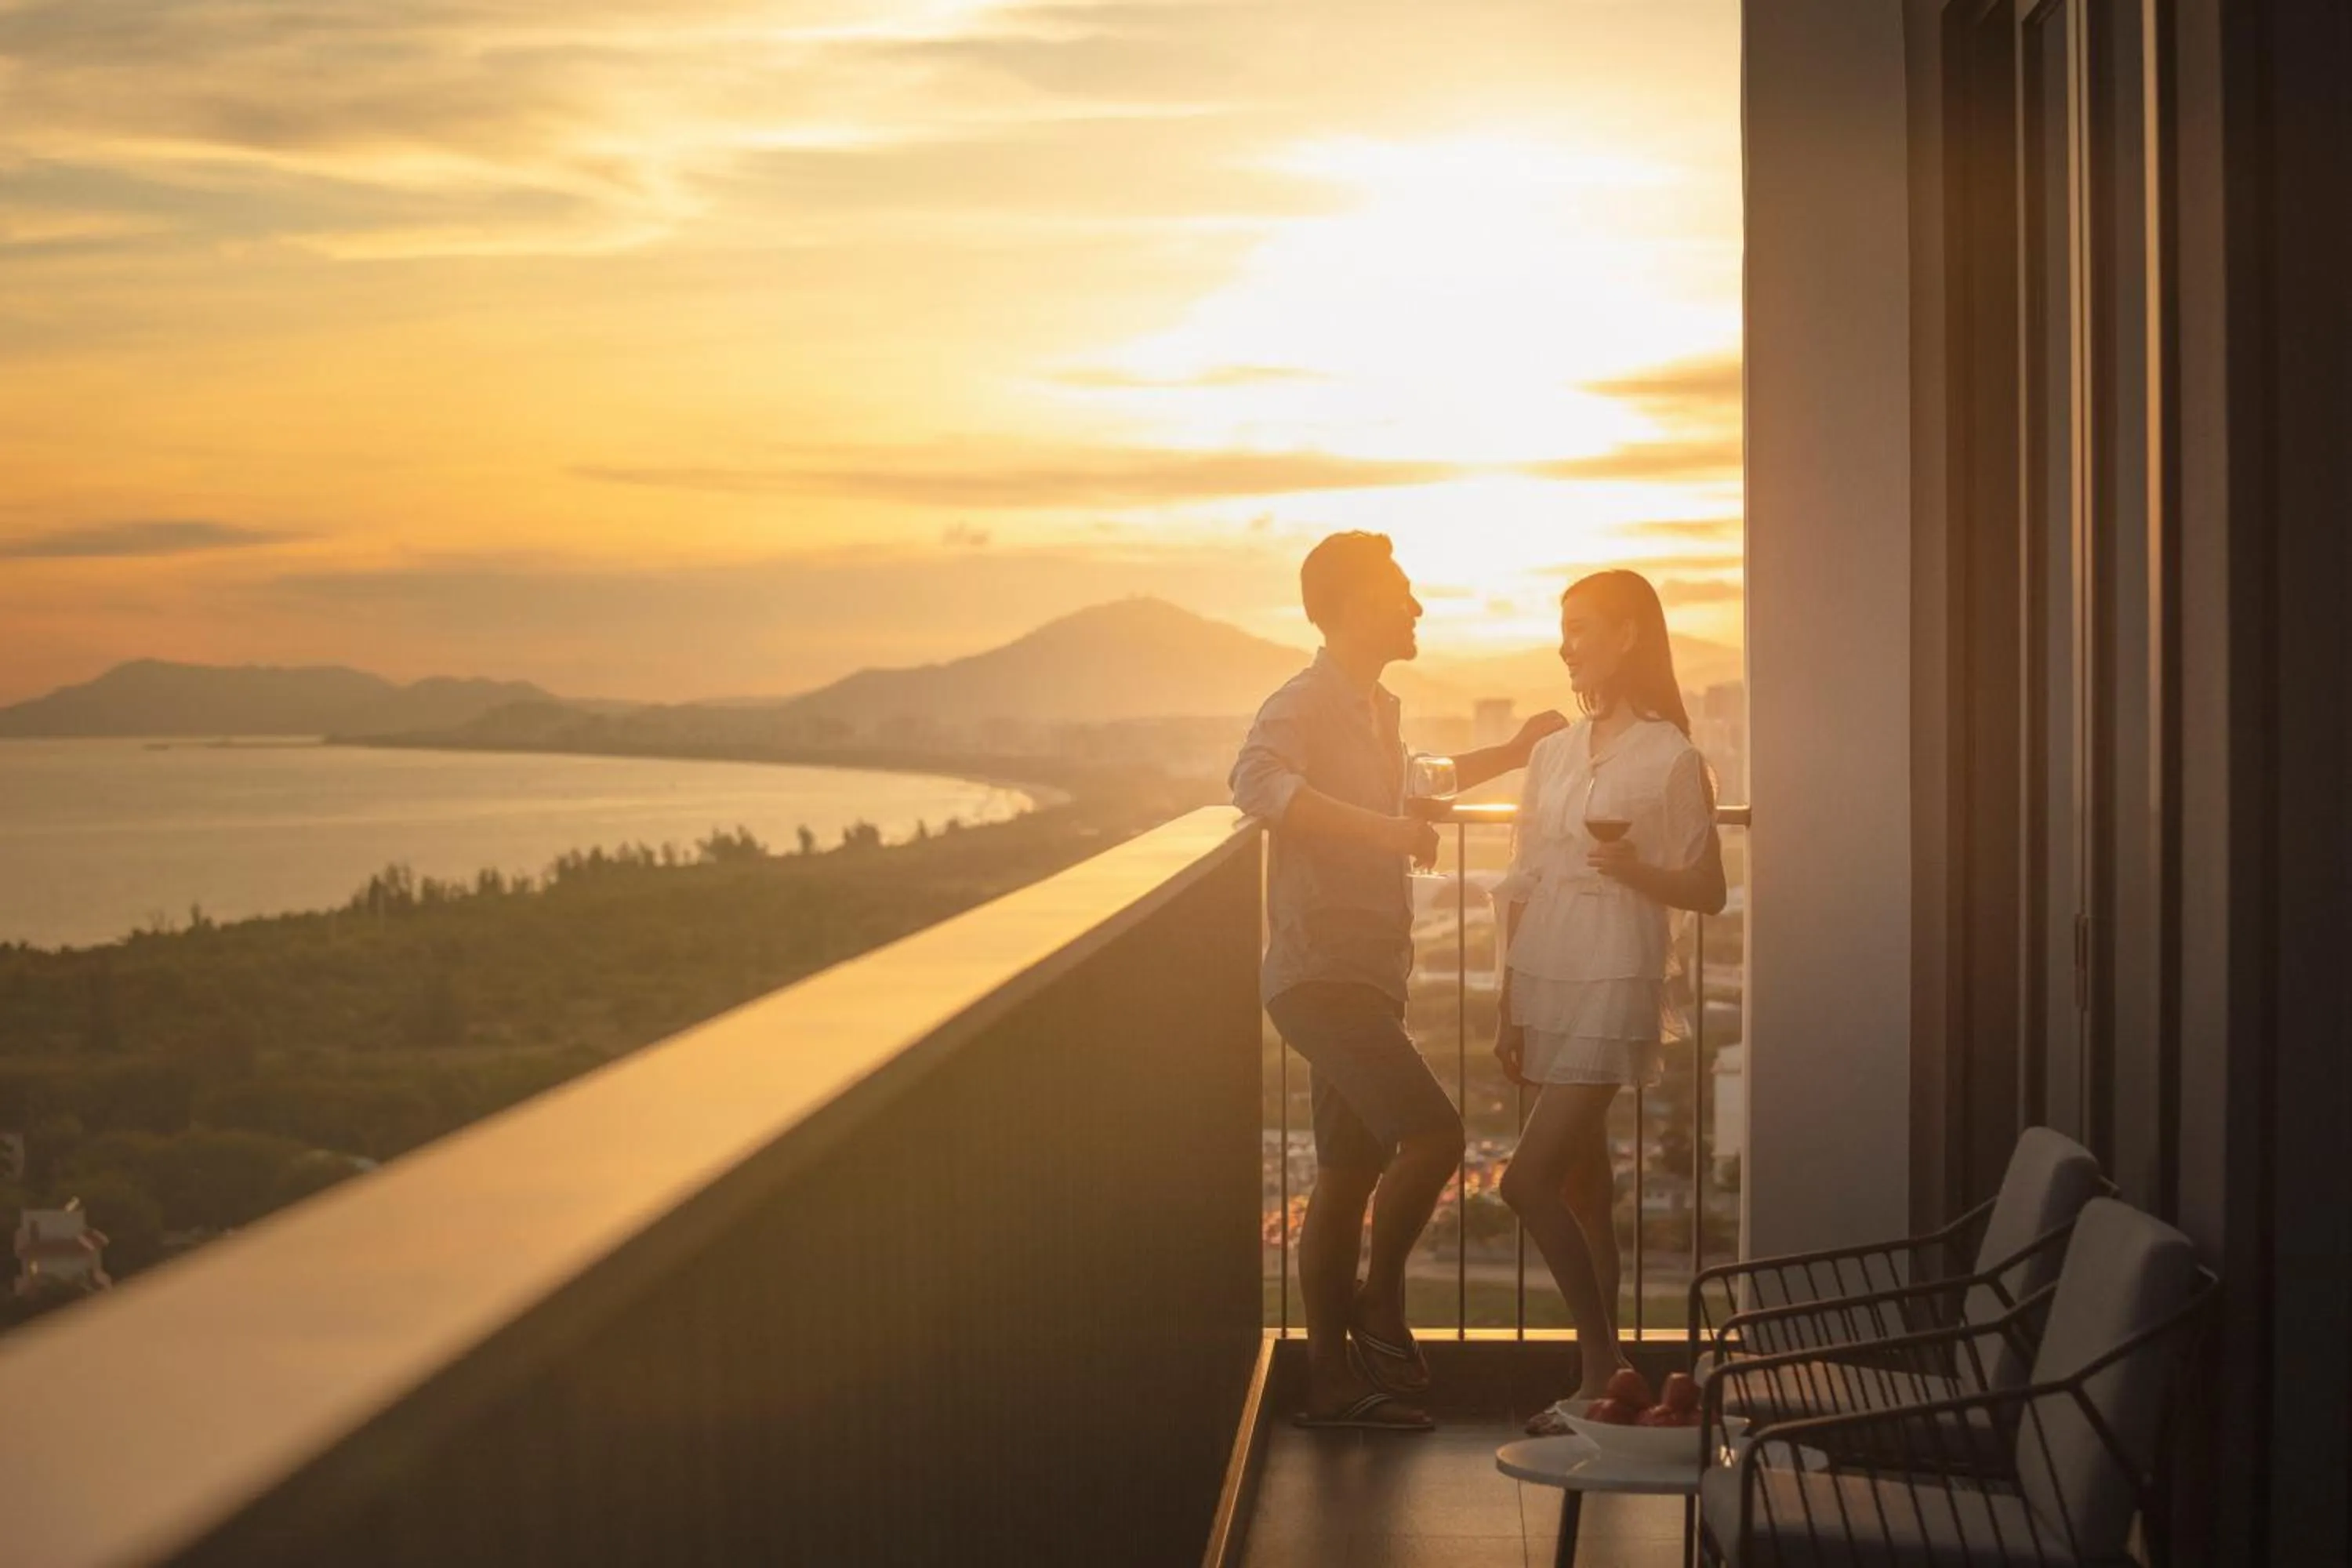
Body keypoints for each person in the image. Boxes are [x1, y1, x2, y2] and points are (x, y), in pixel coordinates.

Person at [1231, 531, 1565, 1431]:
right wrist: (1382, 834)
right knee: (1434, 1135)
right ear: (1349, 607)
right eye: (1402, 592)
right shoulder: (1302, 702)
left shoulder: (1376, 708)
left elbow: (1422, 785)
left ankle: (1335, 1389)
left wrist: (1517, 748)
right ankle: (1382, 1306)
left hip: (1366, 973)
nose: (1417, 607)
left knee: (1345, 1170)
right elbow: (1254, 780)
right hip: (1319, 973)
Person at [1490, 568, 1726, 1432]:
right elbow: (1522, 879)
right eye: (1563, 629)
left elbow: (1708, 887)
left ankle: (1599, 1362)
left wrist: (1639, 871)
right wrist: (1508, 1002)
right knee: (1587, 1186)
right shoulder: (1551, 753)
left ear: (1630, 635)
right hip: (1548, 975)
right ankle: (1608, 1383)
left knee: (1525, 1180)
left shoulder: (1672, 756)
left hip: (1614, 975)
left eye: (1582, 627)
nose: (1566, 644)